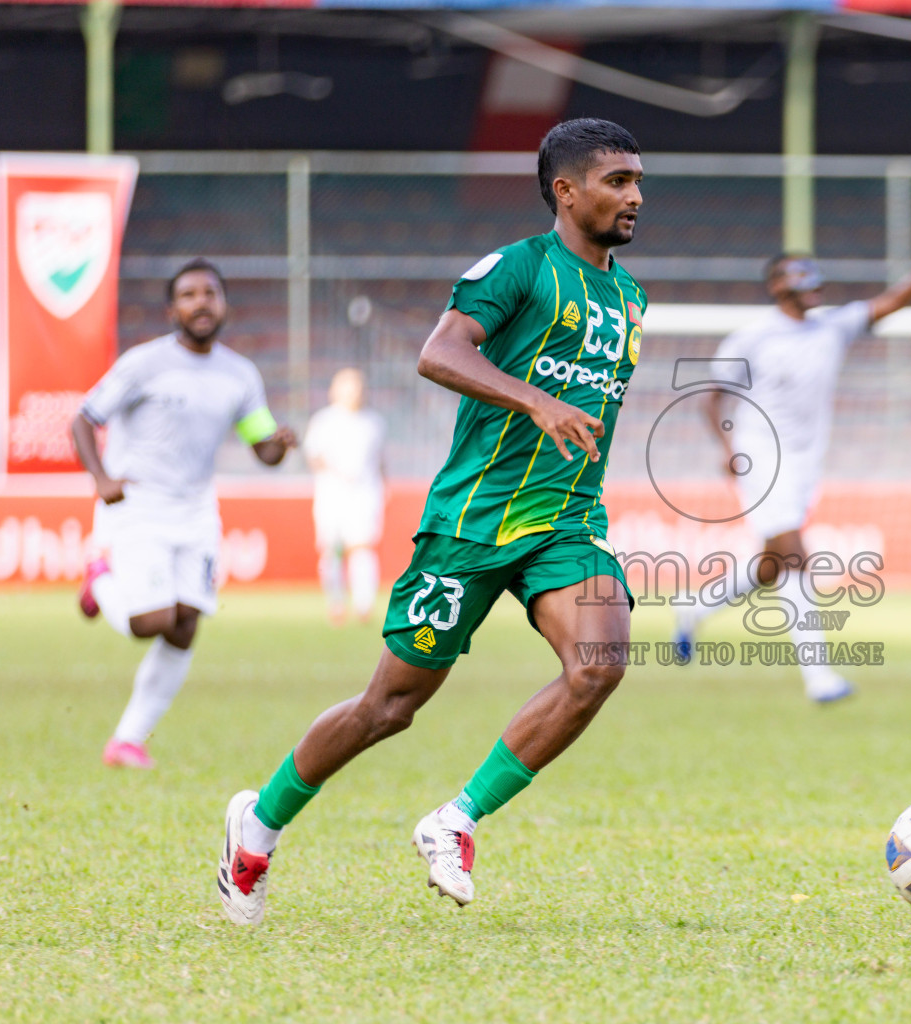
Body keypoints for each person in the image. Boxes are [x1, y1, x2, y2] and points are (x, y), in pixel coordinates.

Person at [217, 118, 647, 926]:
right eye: (617, 180)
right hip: (472, 521)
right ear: (566, 190)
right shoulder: (518, 268)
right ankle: (259, 826)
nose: (635, 195)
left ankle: (455, 819)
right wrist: (534, 398)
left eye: (636, 180)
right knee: (390, 706)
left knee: (599, 661)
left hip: (566, 521)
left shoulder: (630, 295)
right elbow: (439, 354)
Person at [670, 222, 911, 702]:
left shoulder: (834, 326)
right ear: (778, 286)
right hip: (761, 456)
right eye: (802, 279)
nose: (814, 288)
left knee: (772, 565)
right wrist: (728, 450)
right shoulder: (753, 338)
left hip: (806, 463)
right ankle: (819, 676)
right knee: (795, 554)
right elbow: (714, 398)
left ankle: (694, 609)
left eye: (815, 280)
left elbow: (895, 299)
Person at [72, 258, 296, 769]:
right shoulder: (143, 363)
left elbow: (261, 447)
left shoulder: (240, 374)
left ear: (223, 305)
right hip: (138, 506)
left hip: (195, 510)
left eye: (211, 293)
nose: (202, 302)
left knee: (186, 623)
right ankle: (100, 578)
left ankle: (128, 739)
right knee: (150, 620)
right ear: (173, 309)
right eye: (190, 294)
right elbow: (84, 420)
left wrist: (279, 444)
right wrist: (102, 479)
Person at [305, 368, 387, 624]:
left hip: (365, 495)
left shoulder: (374, 422)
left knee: (362, 548)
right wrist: (338, 474)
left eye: (358, 387)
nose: (354, 393)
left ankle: (364, 605)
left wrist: (386, 487)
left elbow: (381, 460)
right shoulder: (323, 420)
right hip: (332, 494)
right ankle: (336, 604)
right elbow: (313, 456)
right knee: (331, 550)